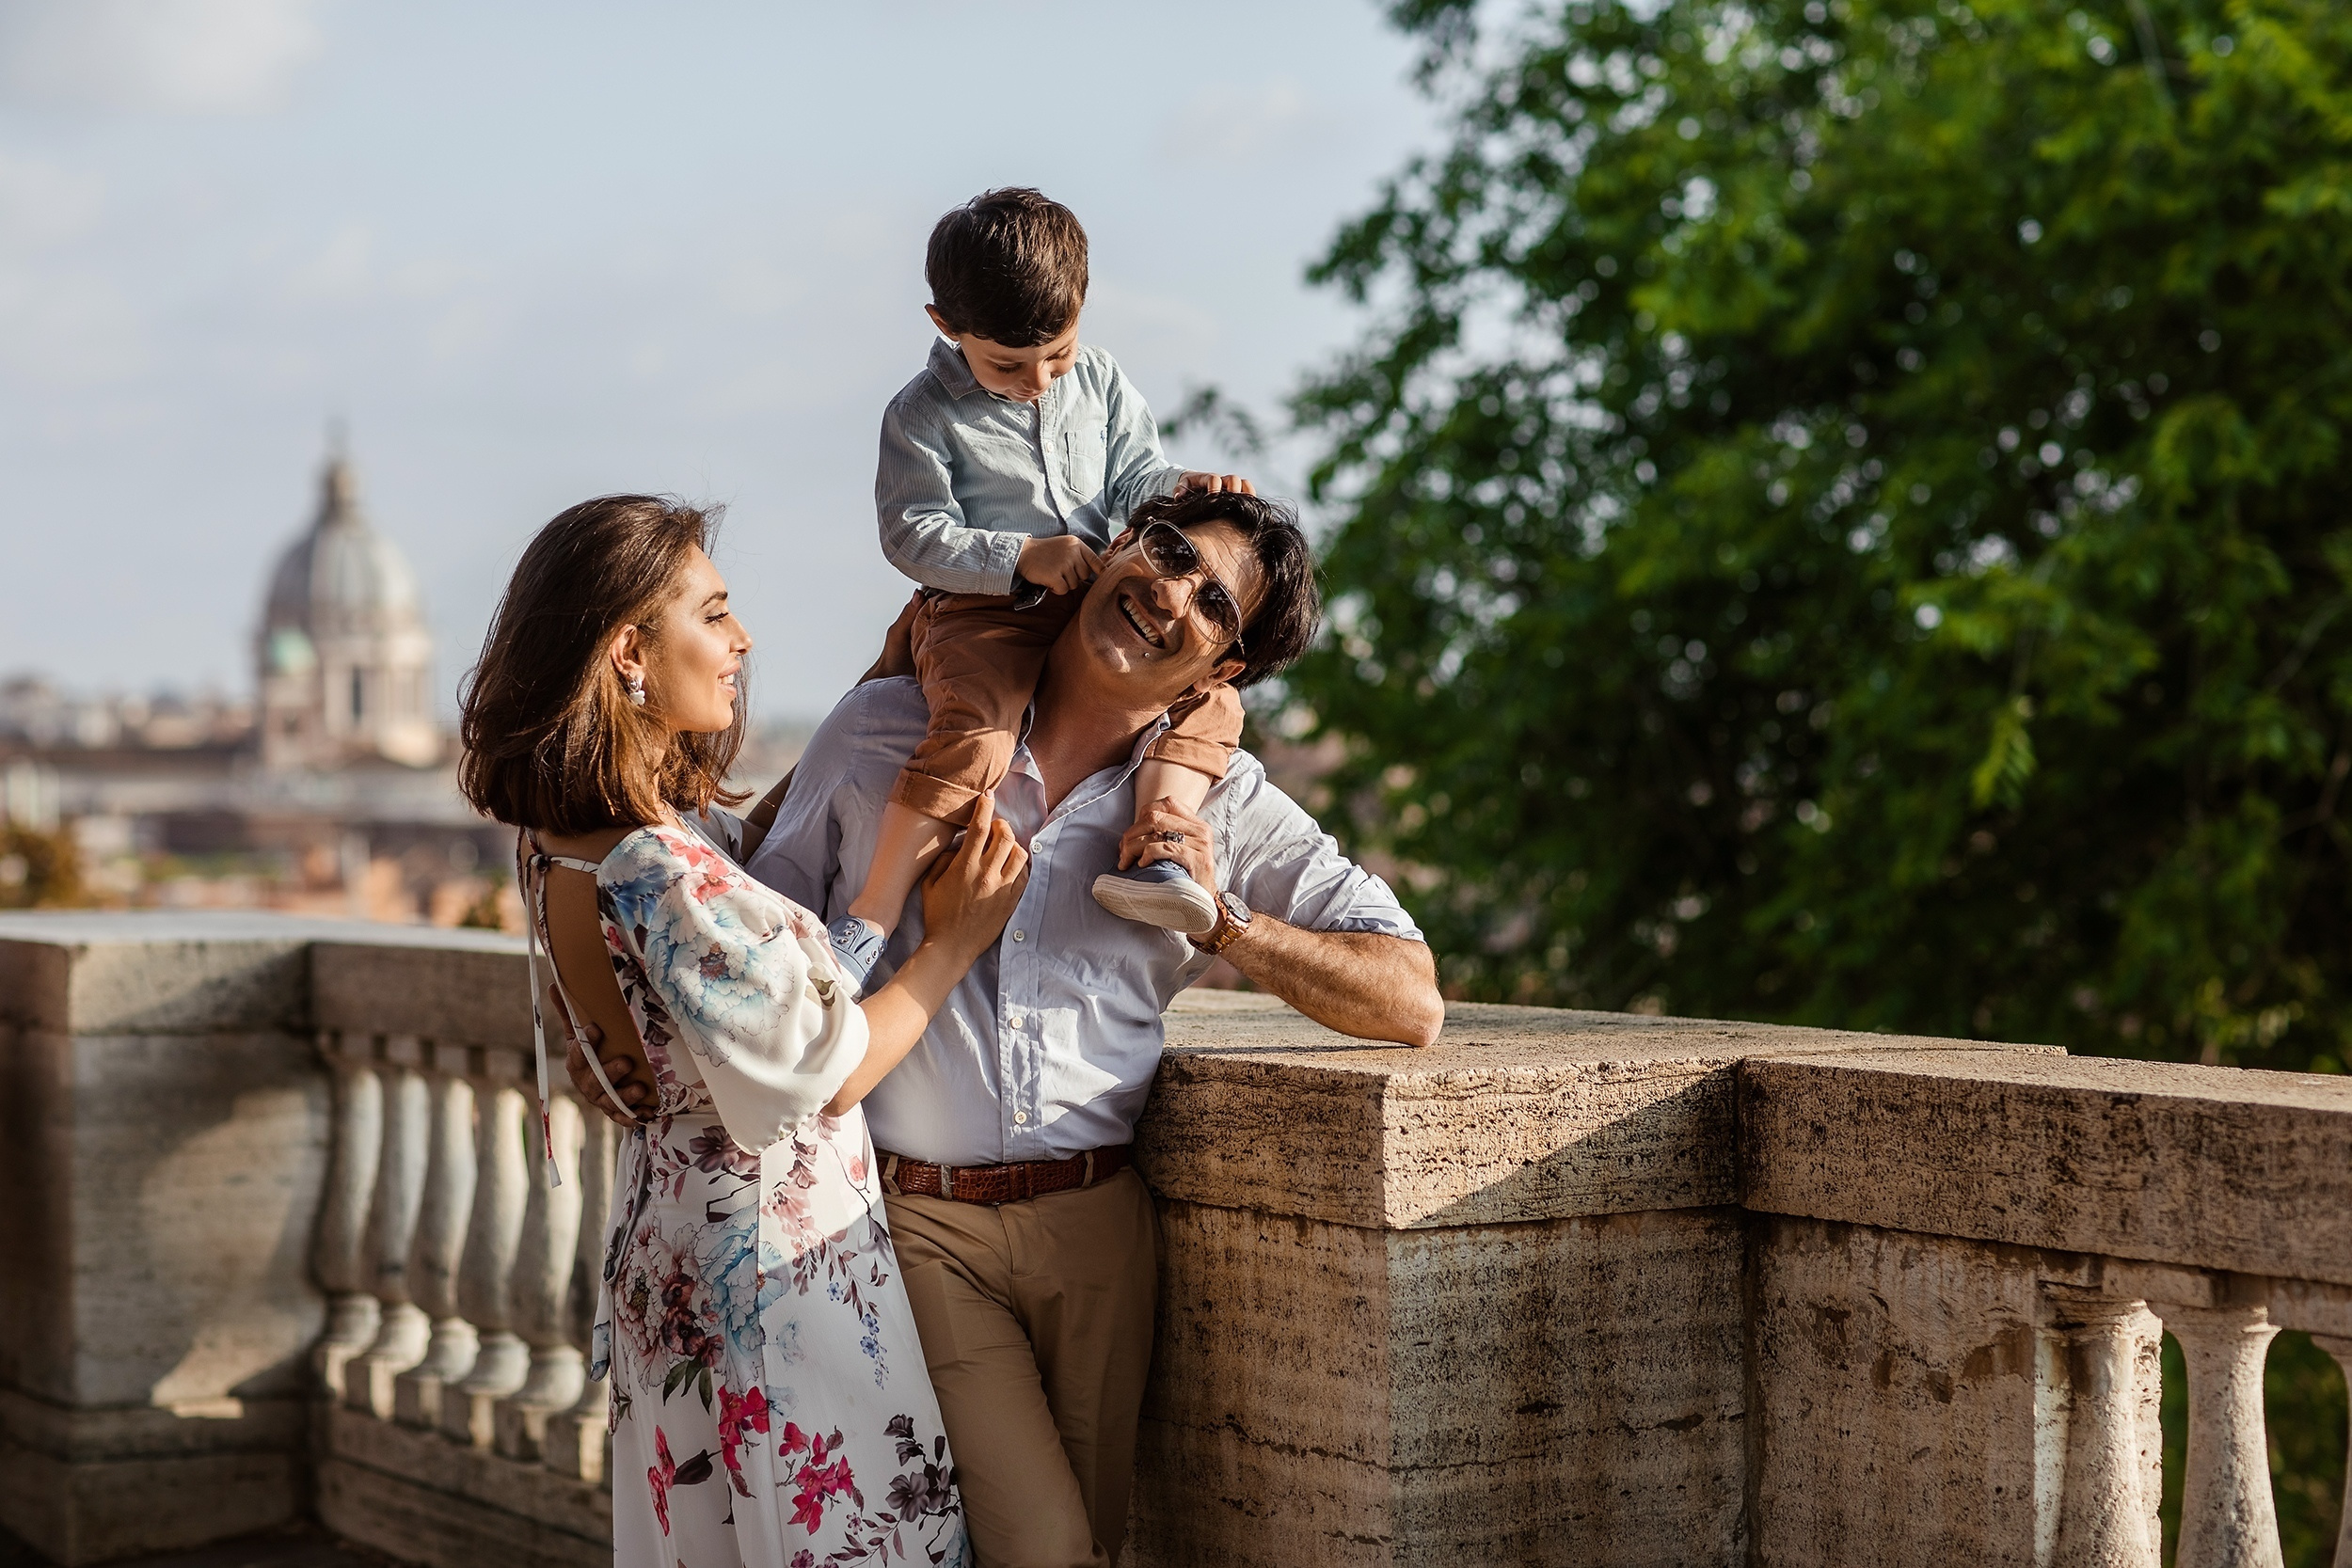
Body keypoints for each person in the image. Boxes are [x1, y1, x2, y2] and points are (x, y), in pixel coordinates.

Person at [569, 487, 1446, 1568]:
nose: (1172, 591)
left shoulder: (1220, 807)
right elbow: (763, 940)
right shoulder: (883, 731)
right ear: (1111, 550)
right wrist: (601, 1004)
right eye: (1166, 549)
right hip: (919, 1225)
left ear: (1221, 672)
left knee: (1091, 1543)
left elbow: (1411, 998)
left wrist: (1221, 918)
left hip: (1101, 1230)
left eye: (1214, 603)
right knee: (1047, 1546)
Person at [459, 494, 1029, 1568]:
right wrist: (946, 939)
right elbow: (830, 1064)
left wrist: (869, 686)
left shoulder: (562, 841)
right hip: (769, 1281)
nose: (744, 638)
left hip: (672, 1257)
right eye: (714, 613)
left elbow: (740, 870)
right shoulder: (660, 870)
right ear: (630, 652)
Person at [834, 186, 1258, 975]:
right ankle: (869, 917)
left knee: (1214, 699)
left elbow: (1135, 477)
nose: (1037, 379)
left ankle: (1160, 846)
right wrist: (1020, 556)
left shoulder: (1099, 380)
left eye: (1056, 354)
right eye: (1008, 365)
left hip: (1098, 603)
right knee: (979, 732)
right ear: (945, 324)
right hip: (986, 611)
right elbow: (911, 532)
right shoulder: (922, 414)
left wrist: (1184, 488)